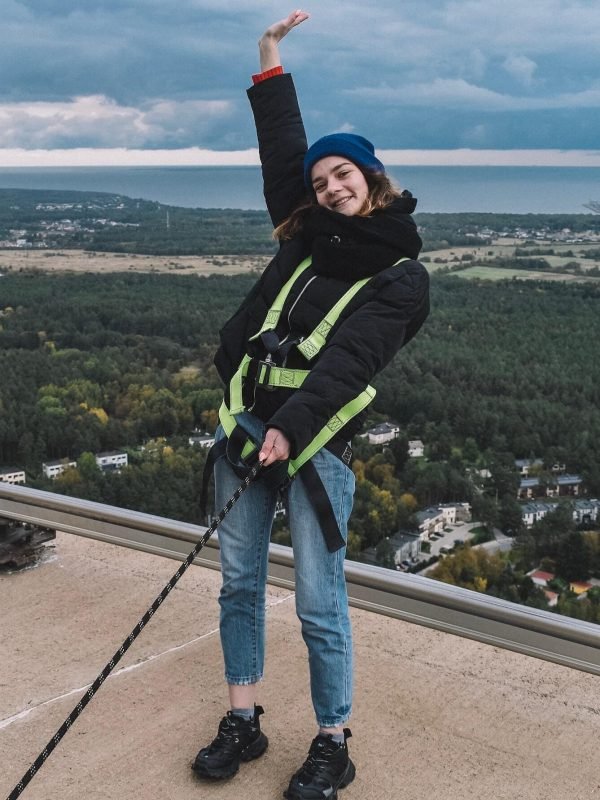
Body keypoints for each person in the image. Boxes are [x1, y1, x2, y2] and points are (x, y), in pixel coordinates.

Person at [192, 10, 429, 799]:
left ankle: (333, 742)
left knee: (320, 605)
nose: (330, 186)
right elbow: (282, 156)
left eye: (345, 176)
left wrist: (289, 433)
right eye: (323, 179)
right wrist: (268, 62)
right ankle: (243, 720)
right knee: (237, 584)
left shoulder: (399, 275)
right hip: (245, 432)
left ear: (373, 180)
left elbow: (349, 367)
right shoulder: (304, 235)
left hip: (317, 446)